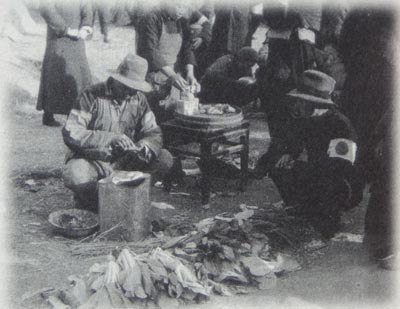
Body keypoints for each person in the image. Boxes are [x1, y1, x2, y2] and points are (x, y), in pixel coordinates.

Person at [62, 54, 174, 210]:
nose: (131, 93)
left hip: (124, 161)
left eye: (135, 89)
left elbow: (153, 131)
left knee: (164, 158)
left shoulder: (139, 99)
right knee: (76, 174)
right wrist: (110, 139)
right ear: (116, 80)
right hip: (93, 160)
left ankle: (123, 196)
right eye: (127, 87)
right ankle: (95, 202)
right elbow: (71, 132)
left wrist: (144, 146)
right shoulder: (90, 95)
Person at [262, 70, 361, 238]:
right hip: (315, 167)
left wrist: (308, 164)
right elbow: (293, 141)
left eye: (300, 102)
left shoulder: (340, 124)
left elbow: (342, 166)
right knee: (277, 165)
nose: (295, 105)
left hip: (340, 179)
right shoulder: (304, 118)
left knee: (324, 187)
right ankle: (300, 208)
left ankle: (328, 218)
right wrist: (289, 154)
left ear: (315, 104)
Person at [136, 0, 199, 123]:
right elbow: (150, 52)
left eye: (185, 7)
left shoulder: (182, 21)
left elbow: (187, 49)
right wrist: (172, 75)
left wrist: (190, 73)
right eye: (178, 5)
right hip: (150, 76)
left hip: (172, 76)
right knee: (151, 117)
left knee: (173, 116)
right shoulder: (151, 18)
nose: (182, 10)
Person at [37, 0, 93, 127]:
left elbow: (87, 8)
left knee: (77, 76)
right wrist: (65, 29)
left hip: (77, 40)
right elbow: (46, 8)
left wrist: (86, 27)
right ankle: (48, 113)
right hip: (58, 37)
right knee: (54, 74)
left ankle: (73, 114)